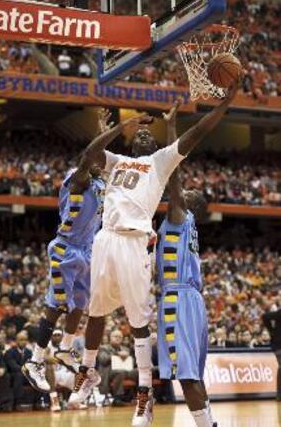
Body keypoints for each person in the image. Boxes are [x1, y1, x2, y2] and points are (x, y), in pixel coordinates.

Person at [69, 83, 238, 427]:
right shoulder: (117, 162)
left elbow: (196, 134)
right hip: (106, 238)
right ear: (130, 142)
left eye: (150, 134)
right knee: (96, 312)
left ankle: (144, 396)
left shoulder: (159, 164)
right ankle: (87, 370)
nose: (145, 135)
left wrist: (223, 107)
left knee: (138, 321)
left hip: (134, 242)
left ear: (159, 146)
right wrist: (120, 127)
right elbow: (87, 155)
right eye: (139, 134)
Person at [22, 110, 151, 395]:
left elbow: (102, 158)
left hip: (89, 250)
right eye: (94, 155)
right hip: (66, 248)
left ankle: (66, 349)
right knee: (56, 305)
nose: (96, 159)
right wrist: (113, 131)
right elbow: (88, 157)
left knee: (82, 303)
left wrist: (102, 134)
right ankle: (34, 360)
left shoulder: (102, 182)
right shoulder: (77, 176)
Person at [156, 99, 217, 427]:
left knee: (186, 374)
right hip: (194, 301)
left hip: (178, 298)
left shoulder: (180, 215)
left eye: (187, 192)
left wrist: (170, 128)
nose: (182, 192)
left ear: (190, 204)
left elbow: (172, 170)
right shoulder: (187, 226)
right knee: (194, 372)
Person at [4, 331, 39, 411]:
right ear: (16, 341)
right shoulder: (10, 352)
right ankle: (18, 402)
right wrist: (26, 370)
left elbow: (32, 364)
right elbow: (13, 366)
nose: (23, 342)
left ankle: (38, 402)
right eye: (21, 340)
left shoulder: (29, 352)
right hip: (14, 375)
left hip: (26, 374)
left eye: (25, 340)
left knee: (37, 375)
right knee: (18, 375)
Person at [263, 308, 281, 401]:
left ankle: (279, 394)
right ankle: (279, 394)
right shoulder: (279, 313)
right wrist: (272, 331)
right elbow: (265, 316)